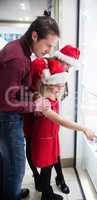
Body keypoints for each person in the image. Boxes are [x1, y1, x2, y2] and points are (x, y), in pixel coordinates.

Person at [0, 11, 60, 200]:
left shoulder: (21, 51)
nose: (49, 51)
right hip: (7, 118)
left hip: (10, 117)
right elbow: (5, 102)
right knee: (17, 168)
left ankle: (12, 192)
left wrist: (34, 95)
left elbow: (15, 90)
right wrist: (34, 106)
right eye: (48, 45)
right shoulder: (17, 58)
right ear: (35, 36)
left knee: (8, 164)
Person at [24, 58, 96, 200]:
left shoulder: (50, 97)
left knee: (49, 168)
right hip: (44, 141)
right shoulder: (43, 103)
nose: (60, 89)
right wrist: (84, 128)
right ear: (48, 84)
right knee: (46, 169)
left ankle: (47, 192)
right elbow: (62, 121)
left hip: (51, 138)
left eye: (61, 86)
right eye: (58, 86)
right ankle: (47, 195)